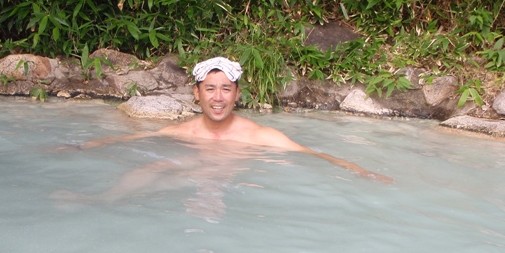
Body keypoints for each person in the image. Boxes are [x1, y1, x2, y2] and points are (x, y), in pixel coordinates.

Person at [79, 56, 393, 183]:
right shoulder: (183, 131)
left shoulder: (260, 136)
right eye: (210, 89)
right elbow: (136, 140)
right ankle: (104, 200)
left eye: (226, 90)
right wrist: (87, 146)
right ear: (197, 93)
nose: (218, 98)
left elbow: (313, 155)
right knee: (156, 166)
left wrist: (358, 170)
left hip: (237, 185)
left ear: (237, 95)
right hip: (190, 188)